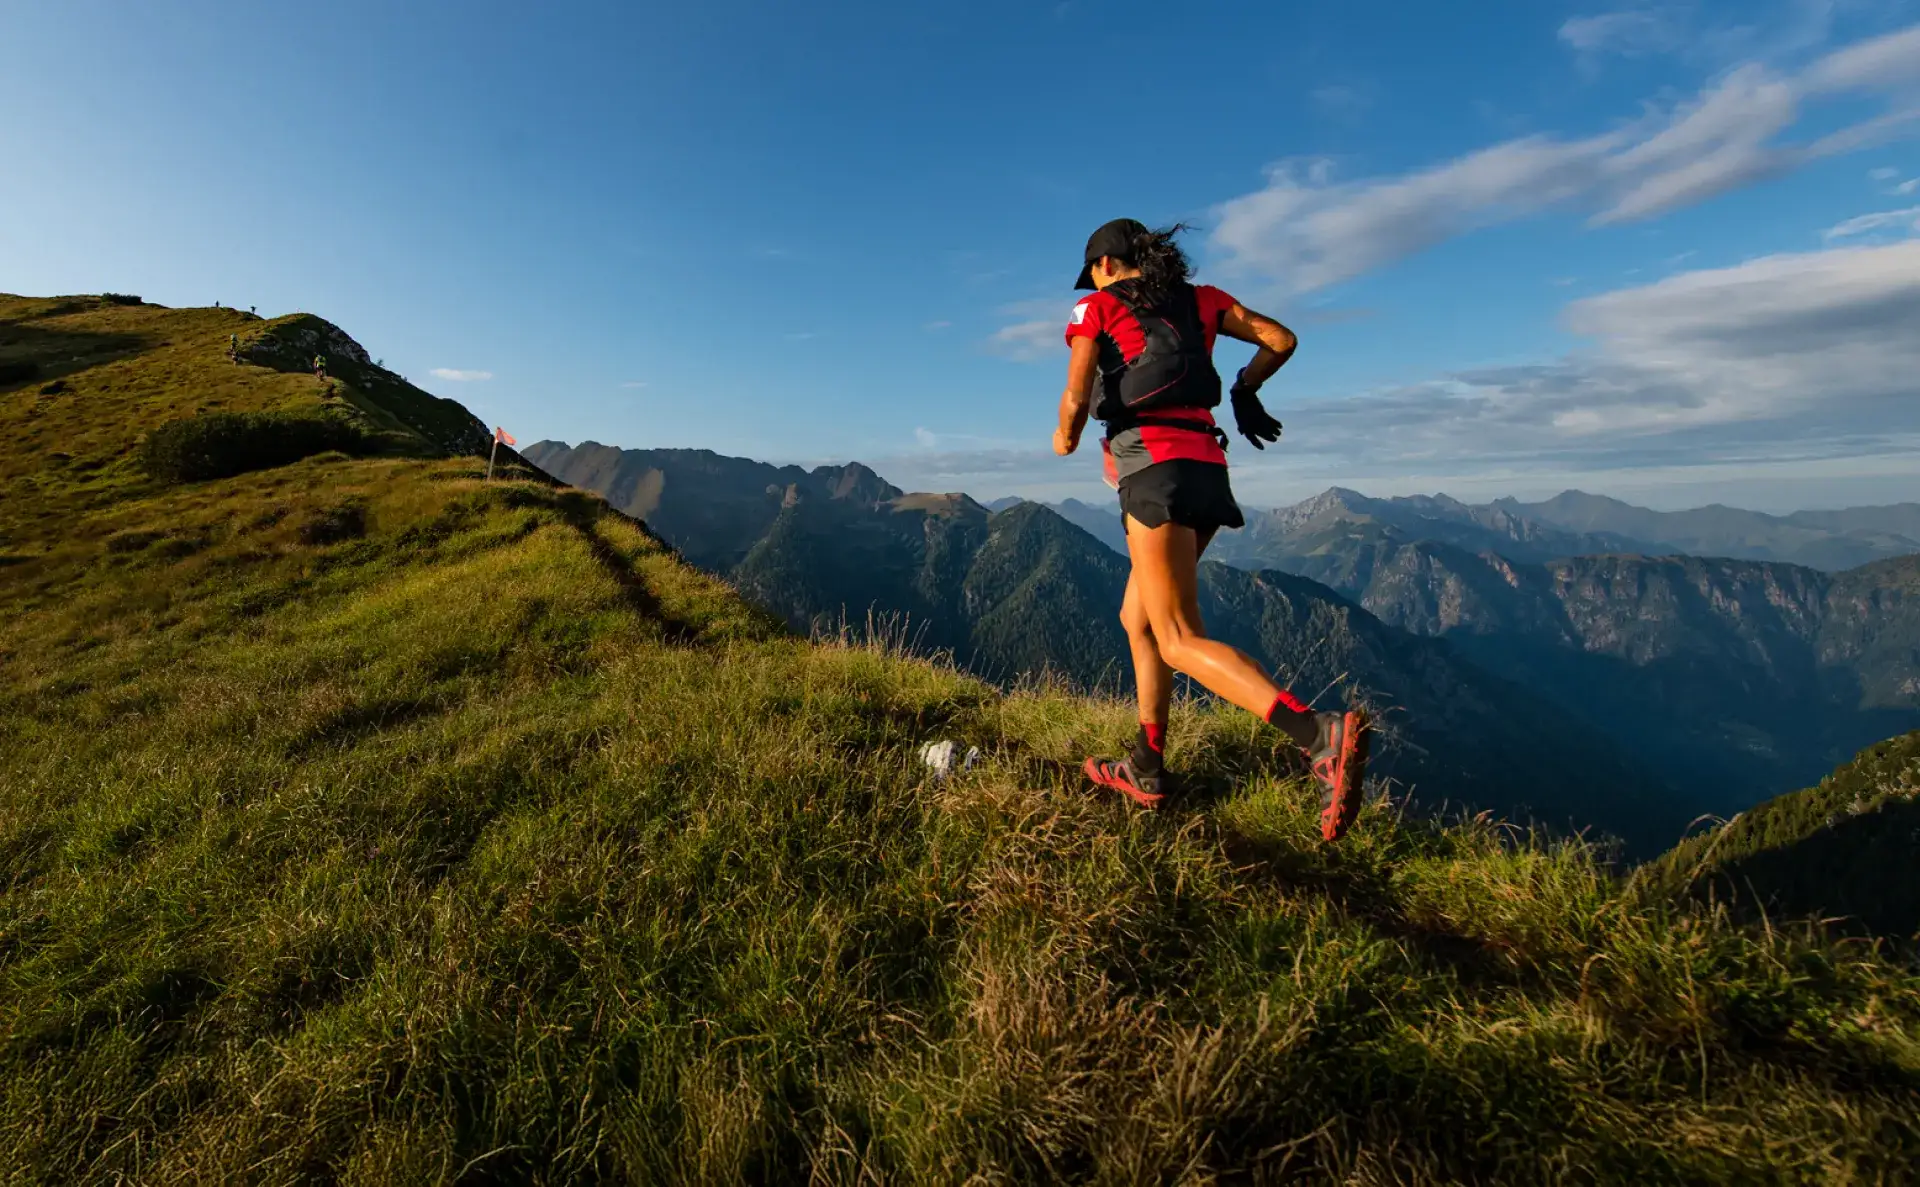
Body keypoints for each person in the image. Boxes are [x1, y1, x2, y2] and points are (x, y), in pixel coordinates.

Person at [1054, 218, 1372, 841]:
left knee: (1176, 636)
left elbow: (1074, 396)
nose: (1092, 279)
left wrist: (1067, 438)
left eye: (1093, 269)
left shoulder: (1094, 307)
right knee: (1138, 619)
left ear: (1108, 265)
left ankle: (1318, 737)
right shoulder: (1205, 300)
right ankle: (1146, 765)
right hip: (1208, 469)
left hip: (1154, 471)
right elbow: (1280, 338)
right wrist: (1245, 388)